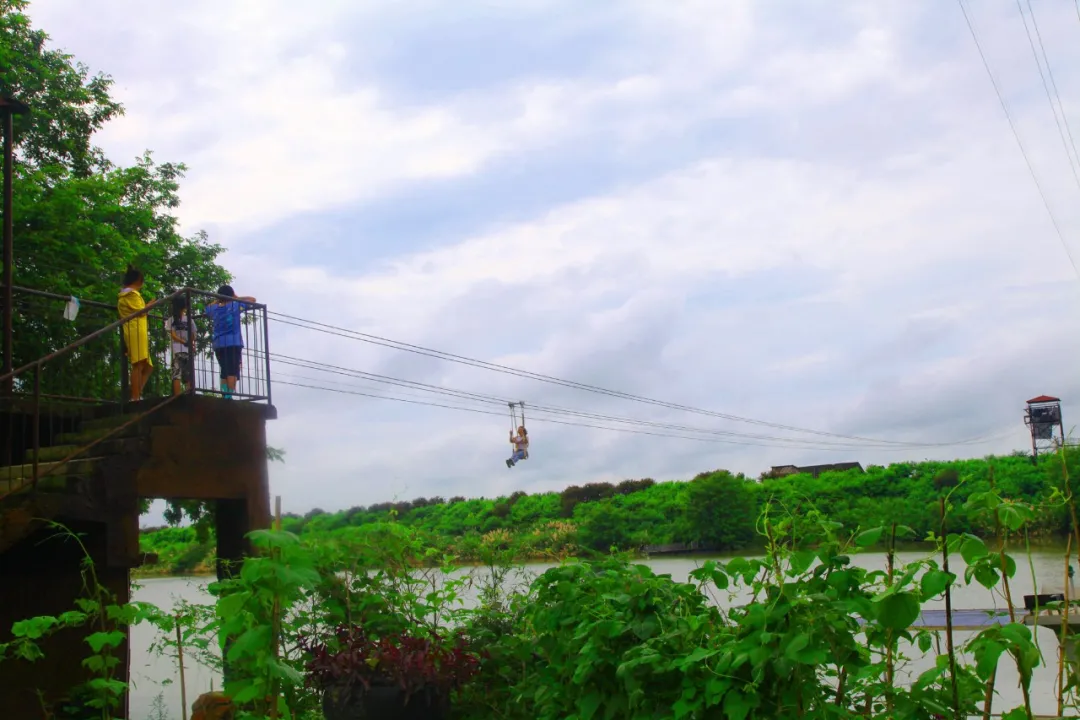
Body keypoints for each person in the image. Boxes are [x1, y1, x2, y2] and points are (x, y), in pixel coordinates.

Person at [205, 284, 256, 399]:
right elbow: (253, 300)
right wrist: (235, 297)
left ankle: (225, 395)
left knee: (224, 370)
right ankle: (229, 395)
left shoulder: (215, 309)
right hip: (233, 343)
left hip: (218, 343)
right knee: (232, 370)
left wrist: (218, 300)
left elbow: (207, 308)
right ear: (231, 294)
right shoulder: (236, 305)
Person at [117, 265, 153, 402]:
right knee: (138, 364)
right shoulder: (132, 295)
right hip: (135, 330)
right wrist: (149, 306)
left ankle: (136, 392)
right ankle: (135, 396)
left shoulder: (126, 295)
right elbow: (141, 311)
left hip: (137, 330)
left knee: (147, 366)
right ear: (138, 281)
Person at [165, 294, 195, 397]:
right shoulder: (189, 320)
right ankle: (189, 394)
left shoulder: (171, 320)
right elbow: (193, 335)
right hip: (188, 350)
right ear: (185, 306)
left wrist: (182, 341)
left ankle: (177, 396)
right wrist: (188, 343)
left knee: (176, 374)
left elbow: (173, 335)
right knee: (187, 374)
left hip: (177, 350)